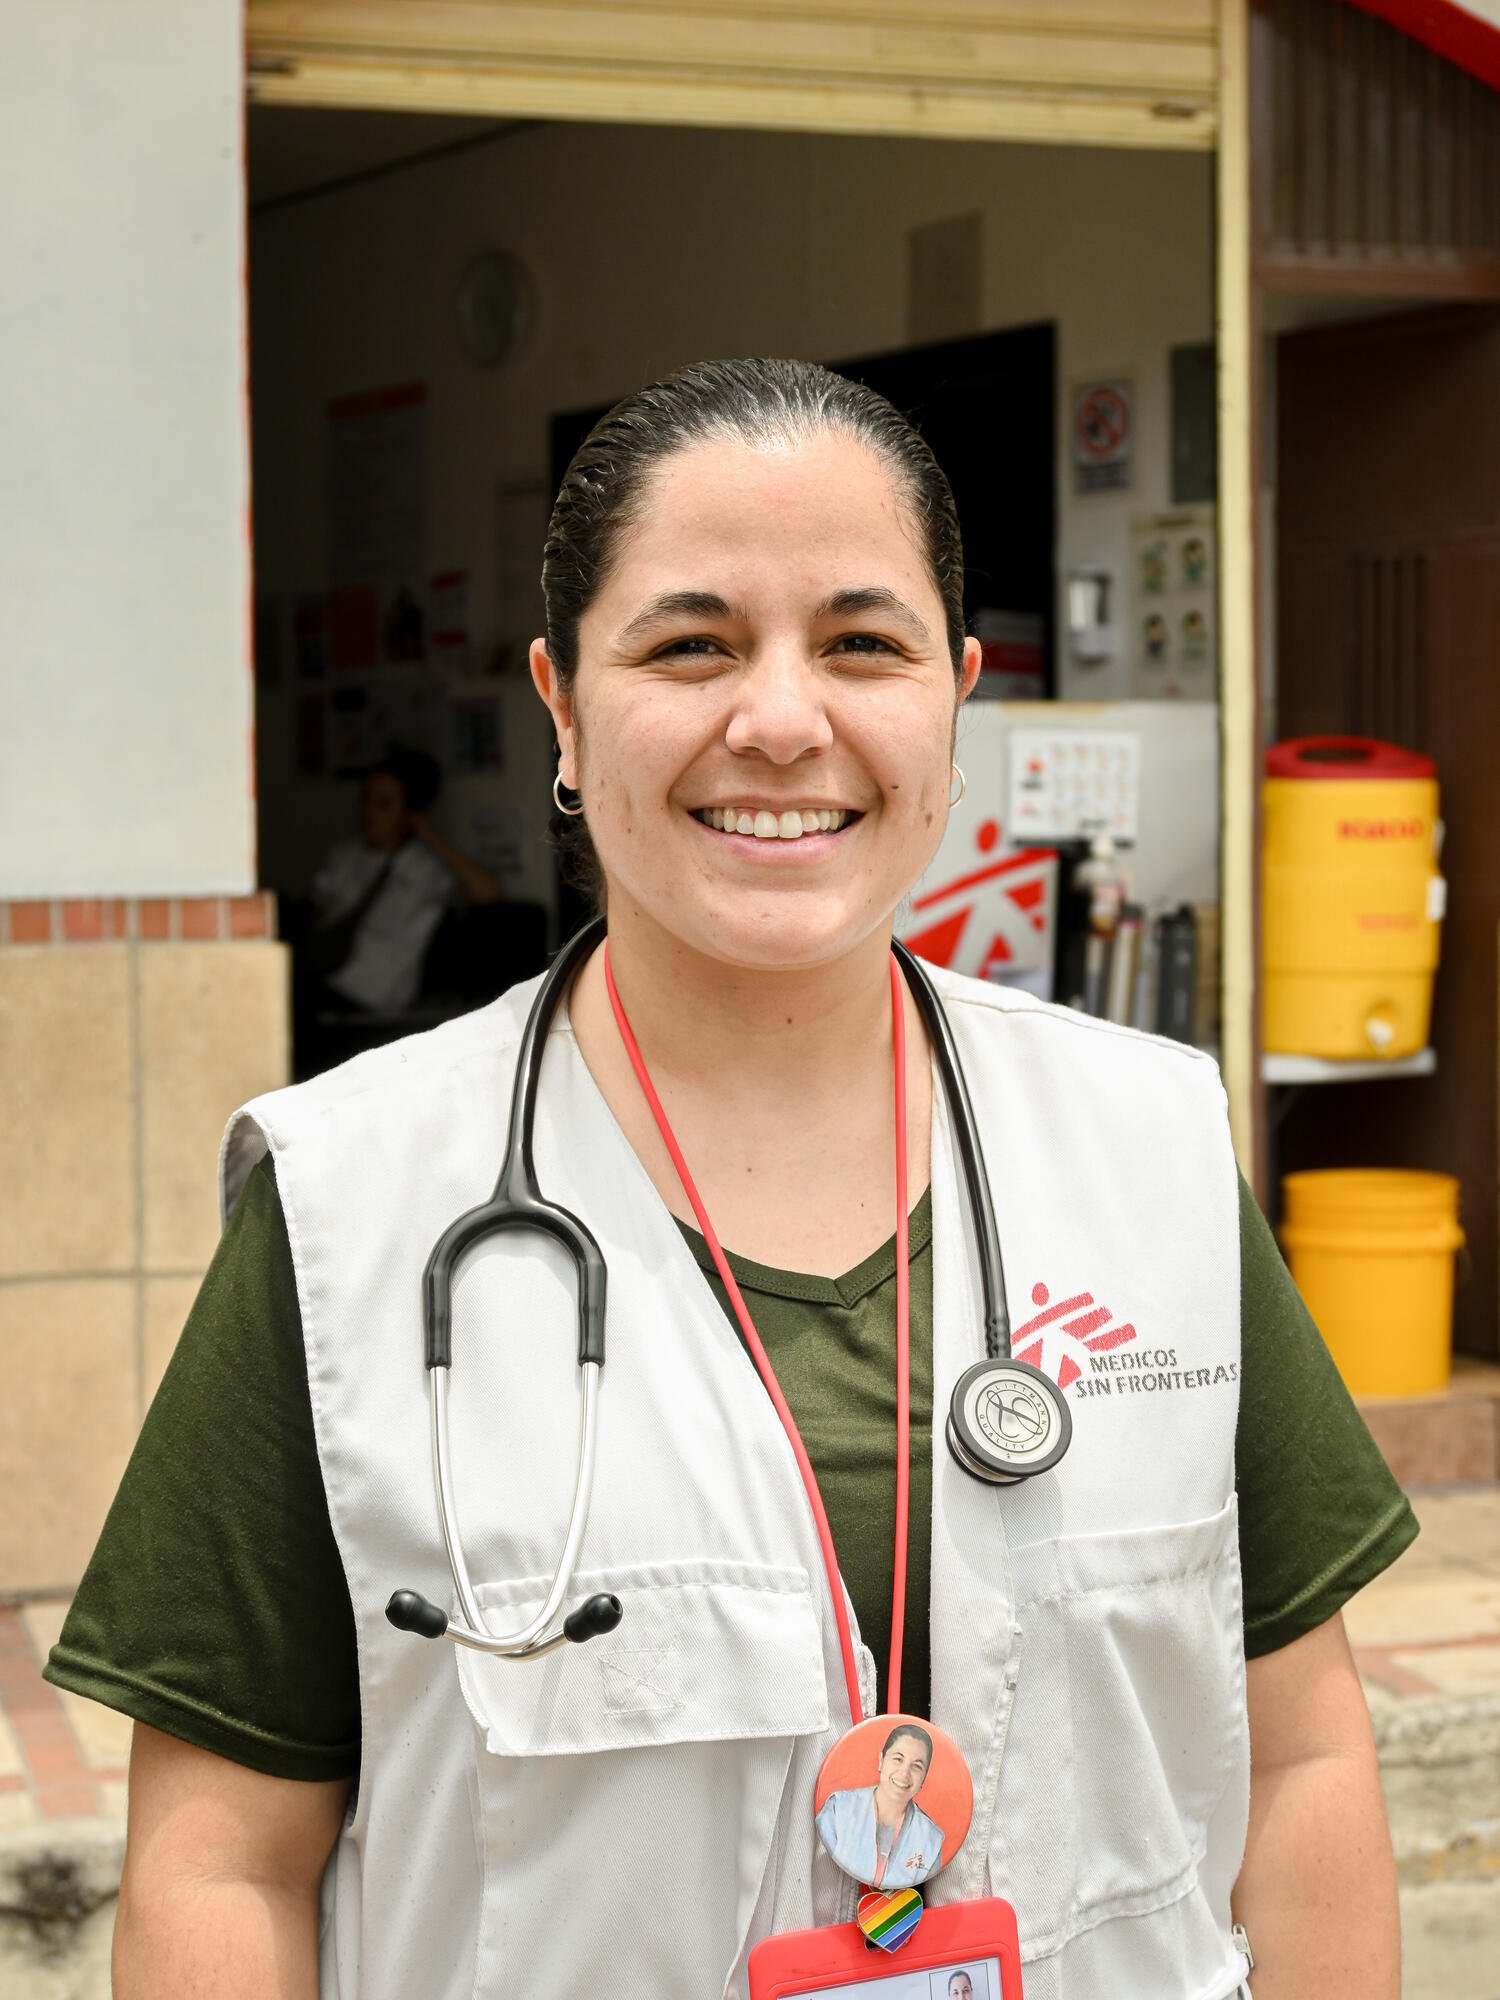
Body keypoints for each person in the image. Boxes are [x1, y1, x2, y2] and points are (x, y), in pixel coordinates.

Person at [47, 359, 1416, 2000]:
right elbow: (221, 1869)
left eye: (863, 643)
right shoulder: (354, 1218)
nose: (781, 718)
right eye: (689, 644)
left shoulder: (1152, 1156)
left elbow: (1300, 1767)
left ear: (955, 696)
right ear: (561, 703)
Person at [306, 747, 504, 1016]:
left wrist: (428, 836)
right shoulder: (343, 857)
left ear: (409, 811)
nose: (369, 812)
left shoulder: (427, 866)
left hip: (376, 998)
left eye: (384, 803)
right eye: (366, 799)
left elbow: (489, 892)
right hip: (325, 983)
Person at [815, 1722, 945, 1887]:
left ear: (924, 1779)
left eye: (917, 1766)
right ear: (881, 1760)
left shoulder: (931, 1839)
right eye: (898, 1759)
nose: (904, 1773)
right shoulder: (838, 1809)